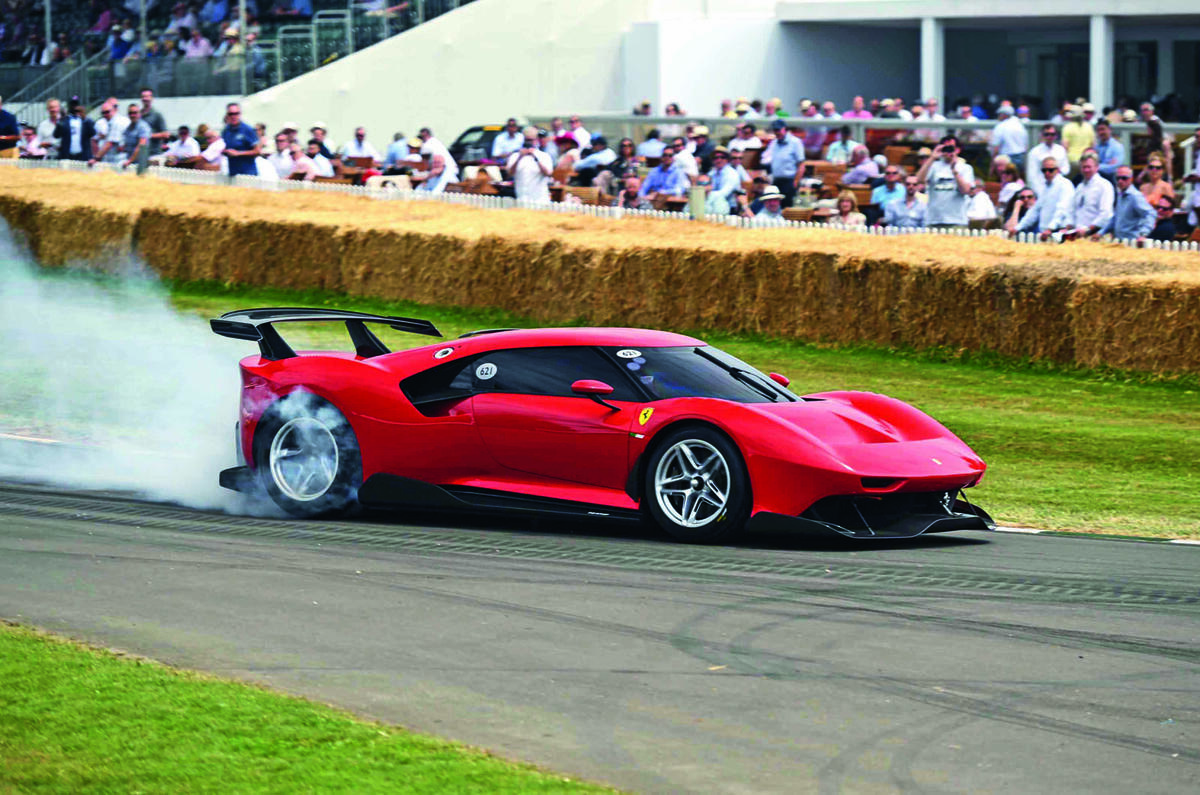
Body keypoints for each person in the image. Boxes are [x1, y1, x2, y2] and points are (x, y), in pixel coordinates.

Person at [916, 135, 974, 227]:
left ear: (958, 150)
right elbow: (918, 180)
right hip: (933, 220)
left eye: (951, 148)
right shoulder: (933, 166)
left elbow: (966, 191)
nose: (948, 151)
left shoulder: (965, 168)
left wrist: (955, 171)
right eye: (945, 147)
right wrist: (932, 157)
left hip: (957, 220)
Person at [1015, 157, 1075, 239]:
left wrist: (1050, 228)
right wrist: (1018, 227)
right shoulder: (1044, 187)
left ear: (1057, 170)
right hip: (1046, 232)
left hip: (1058, 231)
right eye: (1044, 170)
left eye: (1050, 170)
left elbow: (1062, 209)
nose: (1047, 173)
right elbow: (1035, 210)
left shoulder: (1065, 185)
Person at [1095, 166, 1156, 242]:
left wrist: (1143, 234)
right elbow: (1115, 218)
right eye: (1118, 178)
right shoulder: (1121, 194)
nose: (1120, 181)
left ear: (1131, 179)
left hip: (1132, 242)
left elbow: (1151, 213)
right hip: (1120, 242)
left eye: (1124, 178)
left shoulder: (1135, 196)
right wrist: (1101, 233)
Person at [761, 119, 804, 206]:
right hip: (776, 181)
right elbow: (765, 158)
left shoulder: (795, 142)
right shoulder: (774, 143)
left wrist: (795, 182)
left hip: (789, 181)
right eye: (775, 130)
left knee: (787, 206)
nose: (776, 132)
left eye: (778, 130)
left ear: (785, 129)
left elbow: (801, 164)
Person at [1071, 153, 1114, 238]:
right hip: (1078, 235)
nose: (1086, 170)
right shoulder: (1079, 187)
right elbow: (1074, 211)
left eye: (1089, 167)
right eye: (1084, 167)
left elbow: (1106, 214)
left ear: (1097, 167)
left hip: (1096, 235)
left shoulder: (1104, 185)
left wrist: (1088, 230)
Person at [505, 126, 553, 203]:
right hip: (521, 199)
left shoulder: (544, 156)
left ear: (536, 140)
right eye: (527, 140)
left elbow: (548, 173)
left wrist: (535, 157)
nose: (529, 142)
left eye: (531, 140)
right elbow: (509, 174)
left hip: (540, 200)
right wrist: (520, 157)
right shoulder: (515, 156)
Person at [1026, 125, 1069, 195]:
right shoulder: (1034, 152)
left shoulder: (1061, 150)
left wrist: (1058, 170)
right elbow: (1031, 176)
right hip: (1041, 187)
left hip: (1058, 187)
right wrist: (1038, 192)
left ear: (1056, 135)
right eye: (1047, 134)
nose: (1050, 137)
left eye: (1052, 134)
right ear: (1042, 135)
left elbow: (1066, 169)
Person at [221, 102, 259, 176]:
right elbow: (227, 148)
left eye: (236, 113)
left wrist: (238, 153)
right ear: (227, 115)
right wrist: (225, 152)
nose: (233, 116)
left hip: (248, 173)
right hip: (233, 173)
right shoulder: (225, 131)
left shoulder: (248, 130)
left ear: (240, 114)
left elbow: (257, 151)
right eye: (231, 114)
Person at [990, 104, 1028, 170]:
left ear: (1004, 115)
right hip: (1021, 157)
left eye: (999, 114)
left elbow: (996, 148)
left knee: (1006, 179)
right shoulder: (1020, 125)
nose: (998, 117)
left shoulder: (1000, 126)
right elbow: (1026, 144)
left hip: (1006, 159)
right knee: (1019, 179)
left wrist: (992, 166)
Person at [703, 147, 739, 215]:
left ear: (727, 159)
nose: (719, 160)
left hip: (729, 208)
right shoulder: (711, 173)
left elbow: (724, 194)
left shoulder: (732, 174)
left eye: (722, 157)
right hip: (711, 205)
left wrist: (705, 193)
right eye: (715, 158)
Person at [139, 88, 170, 156]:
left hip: (154, 153)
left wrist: (148, 135)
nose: (145, 99)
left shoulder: (157, 115)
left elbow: (166, 134)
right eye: (143, 96)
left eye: (147, 96)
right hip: (141, 152)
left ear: (152, 98)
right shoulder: (138, 115)